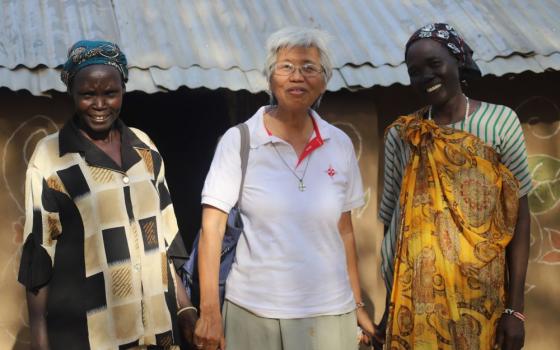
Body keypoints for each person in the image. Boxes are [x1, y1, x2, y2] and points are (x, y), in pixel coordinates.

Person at [193, 27, 375, 350]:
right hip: (253, 313)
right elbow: (212, 228)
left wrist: (358, 304)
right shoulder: (239, 141)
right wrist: (209, 311)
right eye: (286, 66)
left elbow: (344, 231)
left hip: (330, 314)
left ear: (324, 81)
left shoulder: (340, 144)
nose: (297, 77)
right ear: (269, 78)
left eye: (309, 68)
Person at [18, 40, 197, 350]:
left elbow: (164, 241)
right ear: (71, 94)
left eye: (110, 93)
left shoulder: (145, 148)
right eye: (87, 95)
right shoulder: (50, 157)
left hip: (158, 332)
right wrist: (39, 340)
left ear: (123, 91)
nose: (100, 104)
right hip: (91, 336)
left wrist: (184, 309)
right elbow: (39, 258)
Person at [378, 23, 531, 350]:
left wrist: (515, 311)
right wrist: (390, 304)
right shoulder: (403, 134)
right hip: (414, 304)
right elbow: (393, 222)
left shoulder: (499, 123)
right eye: (415, 71)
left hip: (481, 303)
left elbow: (520, 218)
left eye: (435, 64)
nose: (426, 77)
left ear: (458, 61)